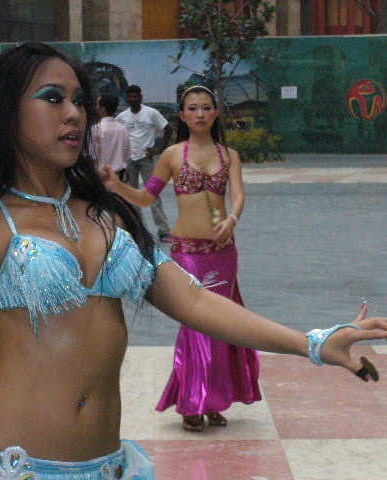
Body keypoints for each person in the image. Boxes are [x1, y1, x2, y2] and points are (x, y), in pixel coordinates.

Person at [0, 43, 387, 479]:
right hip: (10, 467)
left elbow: (195, 301)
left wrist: (312, 343)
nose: (74, 113)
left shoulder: (109, 217)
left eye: (79, 101)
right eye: (52, 98)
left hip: (109, 466)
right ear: (8, 112)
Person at [101, 85, 261, 432]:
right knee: (196, 323)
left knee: (223, 323)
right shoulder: (173, 155)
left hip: (222, 253)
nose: (200, 114)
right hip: (187, 252)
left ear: (215, 113)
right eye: (193, 108)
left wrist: (232, 220)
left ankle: (214, 399)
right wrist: (116, 186)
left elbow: (238, 196)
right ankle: (193, 400)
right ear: (183, 115)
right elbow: (146, 198)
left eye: (206, 107)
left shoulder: (229, 155)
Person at [116, 85, 172, 242]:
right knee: (131, 195)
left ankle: (164, 231)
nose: (133, 99)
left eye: (136, 96)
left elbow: (168, 129)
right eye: (130, 96)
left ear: (140, 97)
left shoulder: (151, 113)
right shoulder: (122, 117)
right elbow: (118, 135)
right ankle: (137, 229)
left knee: (153, 194)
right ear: (126, 98)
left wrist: (159, 148)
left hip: (146, 159)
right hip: (129, 160)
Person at [90, 94, 131, 182]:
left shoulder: (96, 129)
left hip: (102, 176)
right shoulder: (122, 129)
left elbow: (93, 155)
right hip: (119, 176)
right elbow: (127, 155)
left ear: (103, 109)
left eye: (97, 105)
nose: (96, 108)